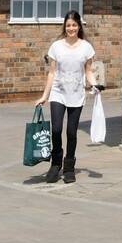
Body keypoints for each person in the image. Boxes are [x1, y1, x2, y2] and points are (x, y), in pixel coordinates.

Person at [35, 11, 96, 184]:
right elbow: (51, 73)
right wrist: (44, 96)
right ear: (65, 26)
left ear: (79, 26)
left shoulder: (86, 47)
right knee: (56, 130)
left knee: (71, 132)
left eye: (74, 25)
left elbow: (88, 71)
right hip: (58, 93)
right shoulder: (56, 46)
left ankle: (69, 166)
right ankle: (55, 165)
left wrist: (94, 85)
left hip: (76, 94)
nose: (71, 28)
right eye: (68, 25)